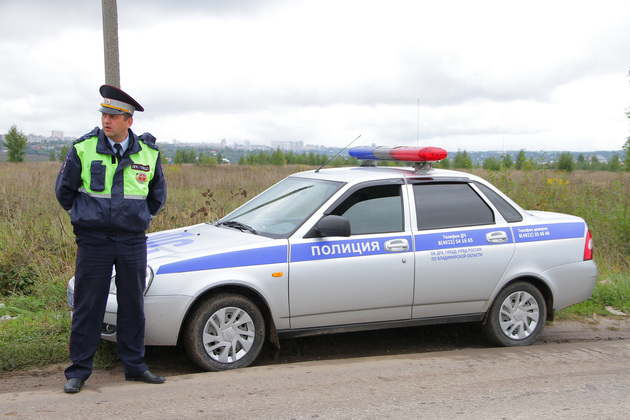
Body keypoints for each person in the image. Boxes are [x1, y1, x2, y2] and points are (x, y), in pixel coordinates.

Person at [55, 85, 167, 394]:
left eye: (113, 116)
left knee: (132, 304)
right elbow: (64, 192)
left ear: (128, 121)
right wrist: (85, 218)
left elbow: (156, 195)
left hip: (132, 240)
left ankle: (135, 366)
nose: (106, 120)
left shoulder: (149, 153)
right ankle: (78, 371)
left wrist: (139, 219)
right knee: (88, 306)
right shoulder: (83, 148)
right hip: (94, 240)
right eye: (104, 114)